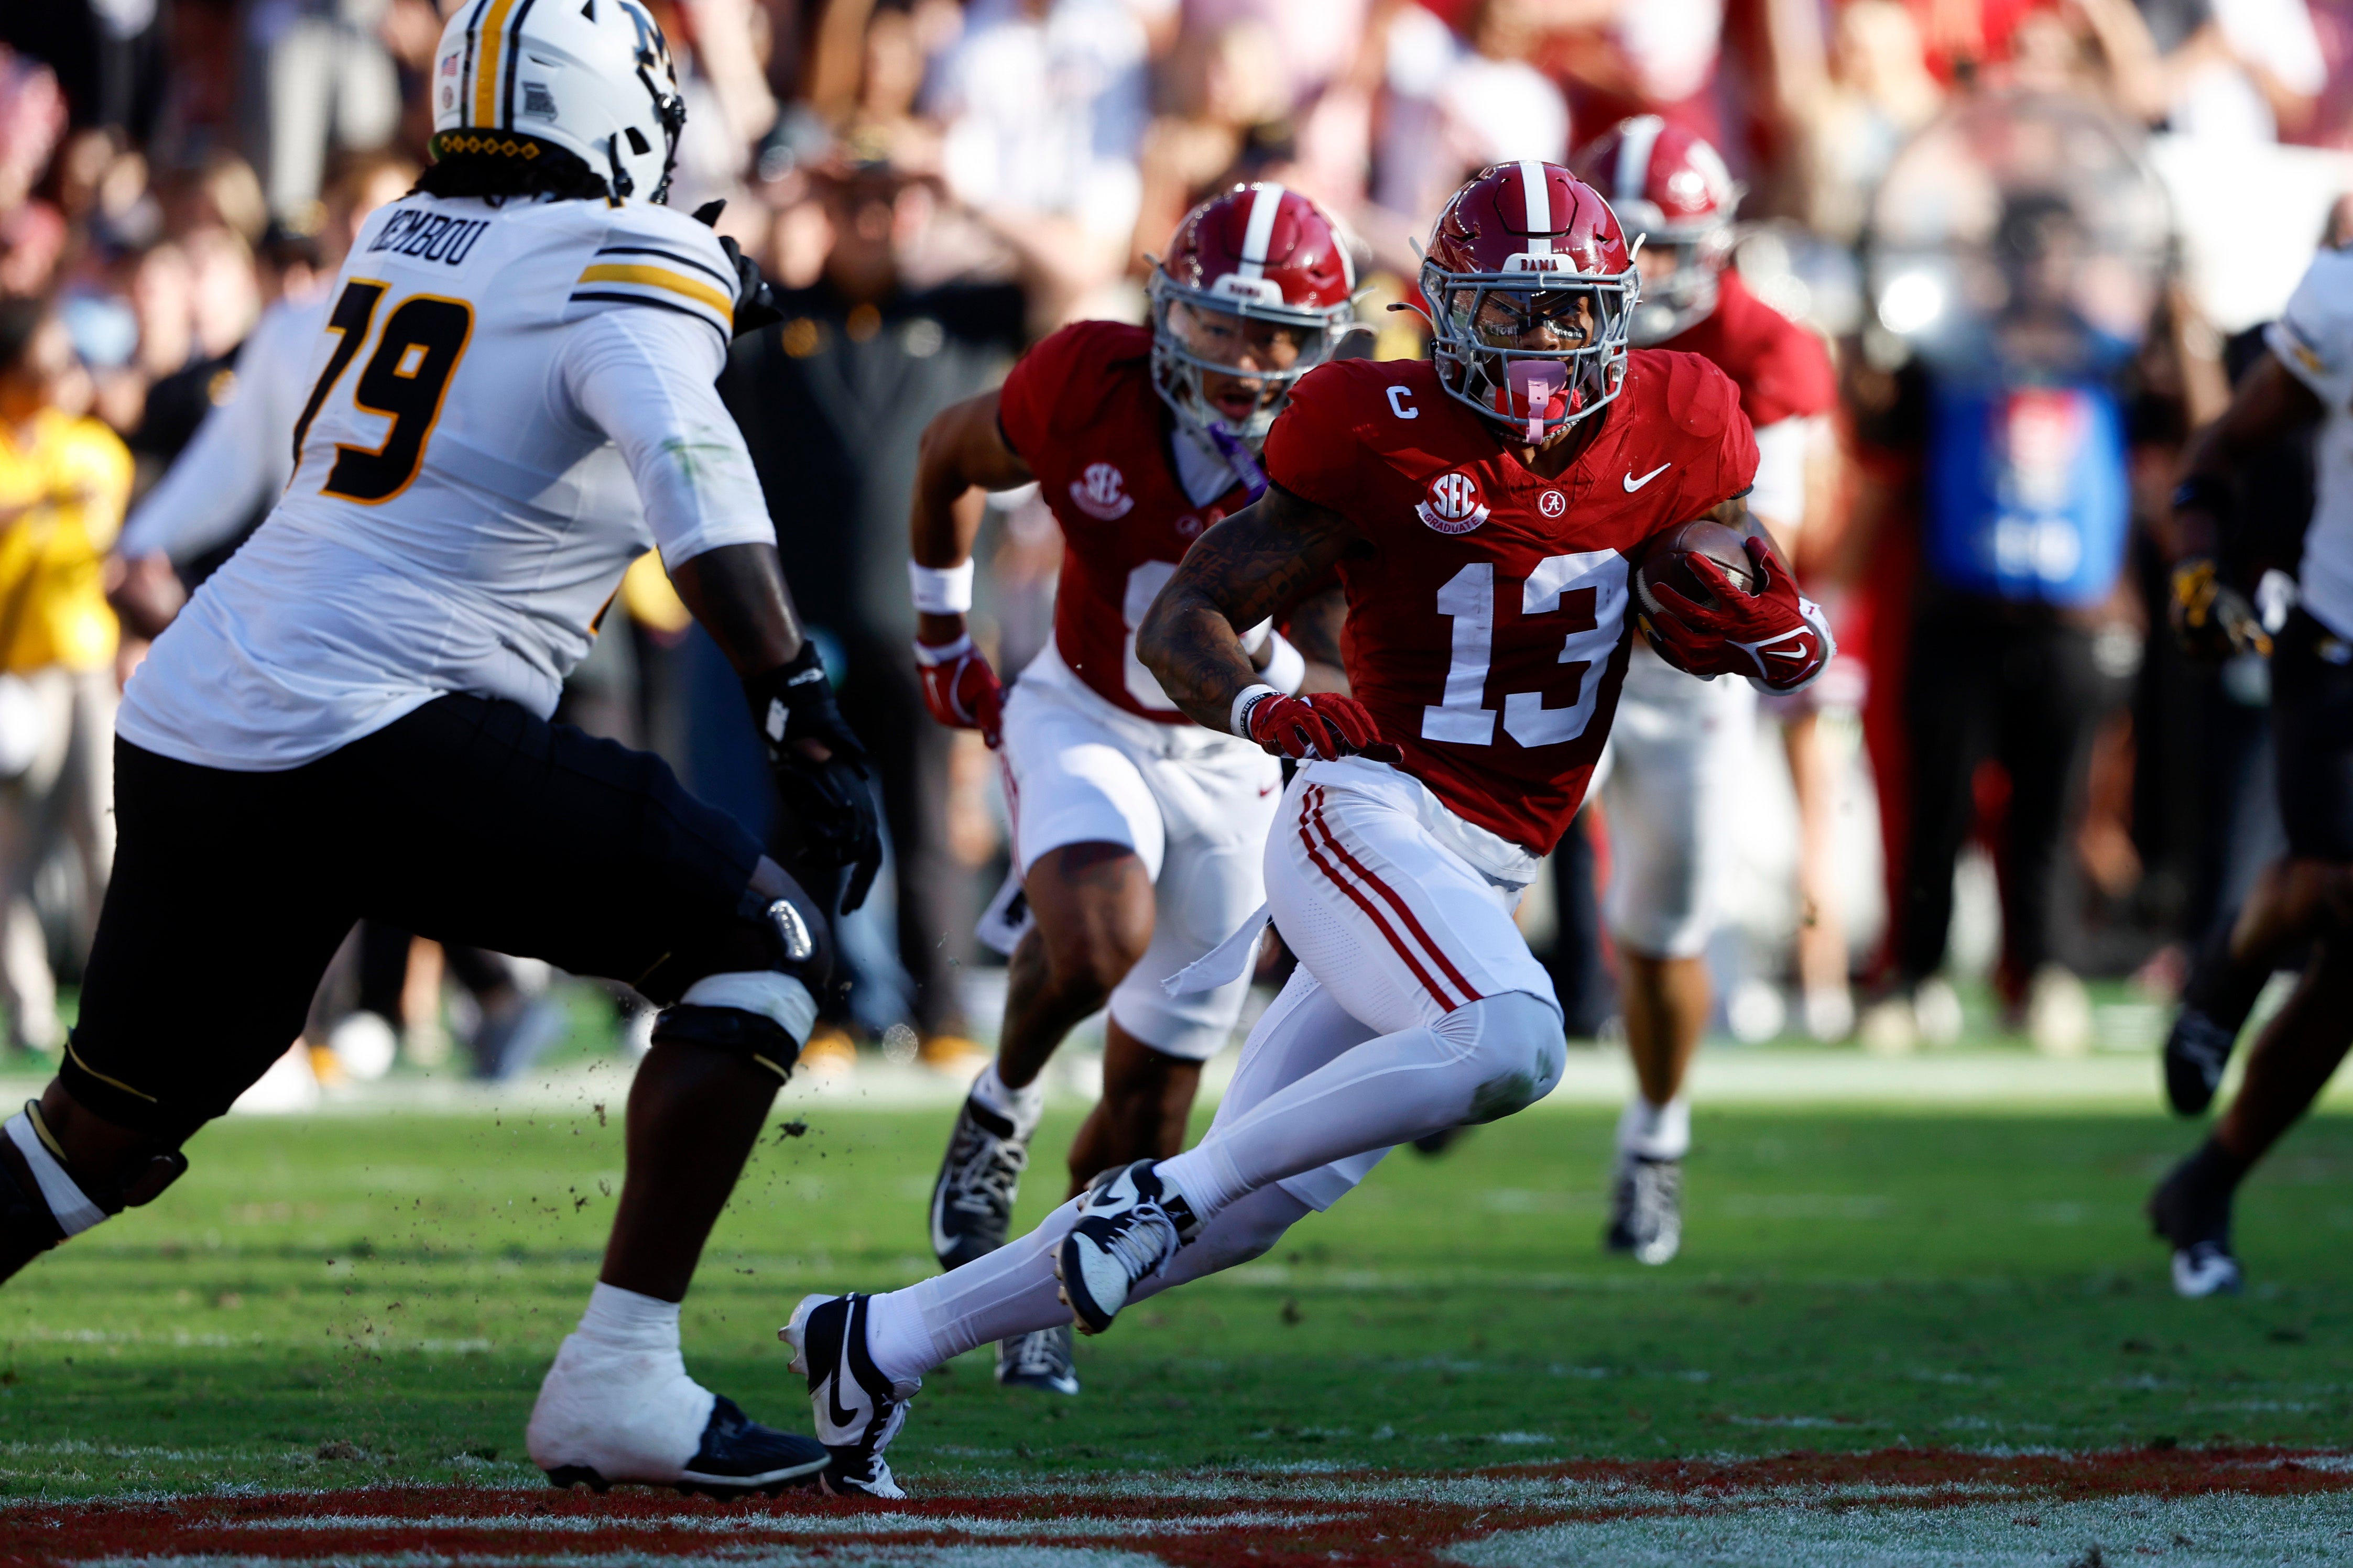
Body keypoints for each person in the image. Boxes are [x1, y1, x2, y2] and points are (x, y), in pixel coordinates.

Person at [775, 161, 1834, 1499]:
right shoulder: (1372, 426)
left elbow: (1722, 570)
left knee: (1250, 1216)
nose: (1540, 342)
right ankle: (1167, 1182)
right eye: (1505, 310)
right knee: (1512, 1041)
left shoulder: (1684, 419)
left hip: (1481, 866)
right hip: (1367, 813)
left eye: (1567, 311)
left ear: (1617, 314)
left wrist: (1781, 636)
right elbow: (1182, 620)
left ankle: (876, 1340)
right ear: (1443, 313)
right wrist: (1274, 713)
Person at [0, 0, 884, 1498]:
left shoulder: (401, 236)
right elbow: (685, 458)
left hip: (203, 710)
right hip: (375, 718)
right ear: (616, 108)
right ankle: (619, 1383)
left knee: (98, 1140)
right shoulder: (632, 255)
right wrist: (793, 691)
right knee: (767, 946)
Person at [912, 183, 1356, 1398]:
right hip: (1084, 710)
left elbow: (1349, 646)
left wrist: (1269, 660)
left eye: (1273, 335)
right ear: (1167, 310)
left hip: (1228, 757)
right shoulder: (1086, 382)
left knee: (1155, 1115)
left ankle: (1039, 1293)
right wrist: (944, 638)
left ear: (1321, 345)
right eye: (1217, 323)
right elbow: (947, 454)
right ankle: (999, 1106)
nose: (1243, 358)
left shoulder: (1339, 443)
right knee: (1100, 931)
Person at [1566, 117, 1840, 1265]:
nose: (1640, 271)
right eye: (1619, 242)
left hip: (1680, 675)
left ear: (1714, 241)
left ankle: (1656, 1135)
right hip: (1536, 647)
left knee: (1664, 926)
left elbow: (1768, 539)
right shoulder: (1534, 309)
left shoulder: (1768, 348)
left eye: (1663, 246)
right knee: (1445, 886)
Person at [2147, 228, 2353, 1298]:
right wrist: (2198, 564)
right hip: (2334, 639)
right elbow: (2221, 450)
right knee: (2333, 887)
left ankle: (2208, 1182)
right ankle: (2227, 973)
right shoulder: (2345, 298)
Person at [0, 297, 132, 1058]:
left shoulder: (88, 447)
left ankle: (115, 1005)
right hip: (18, 671)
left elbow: (101, 542)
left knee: (105, 837)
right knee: (16, 851)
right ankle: (28, 1010)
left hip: (83, 661)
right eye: (44, 363)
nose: (59, 377)